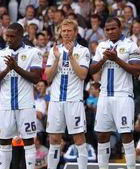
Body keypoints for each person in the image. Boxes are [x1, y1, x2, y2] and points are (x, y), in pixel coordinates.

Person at [0, 22, 43, 169]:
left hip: (25, 104)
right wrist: (7, 69)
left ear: (21, 35)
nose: (9, 39)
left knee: (28, 141)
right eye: (7, 36)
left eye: (13, 36)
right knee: (4, 142)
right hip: (6, 105)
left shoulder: (34, 52)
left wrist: (16, 67)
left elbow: (36, 78)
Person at [89, 17, 140, 169]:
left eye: (113, 28)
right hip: (104, 95)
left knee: (126, 134)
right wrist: (103, 60)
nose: (110, 31)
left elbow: (136, 70)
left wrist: (117, 59)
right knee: (102, 135)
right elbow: (91, 70)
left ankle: (131, 167)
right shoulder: (101, 46)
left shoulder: (131, 45)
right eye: (107, 29)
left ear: (120, 27)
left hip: (123, 95)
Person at [45, 19, 90, 169]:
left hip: (74, 100)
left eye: (69, 30)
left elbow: (83, 74)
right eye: (63, 31)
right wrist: (57, 58)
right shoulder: (54, 51)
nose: (66, 33)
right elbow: (48, 77)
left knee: (79, 139)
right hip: (56, 100)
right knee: (54, 139)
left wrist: (71, 57)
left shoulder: (83, 51)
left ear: (75, 32)